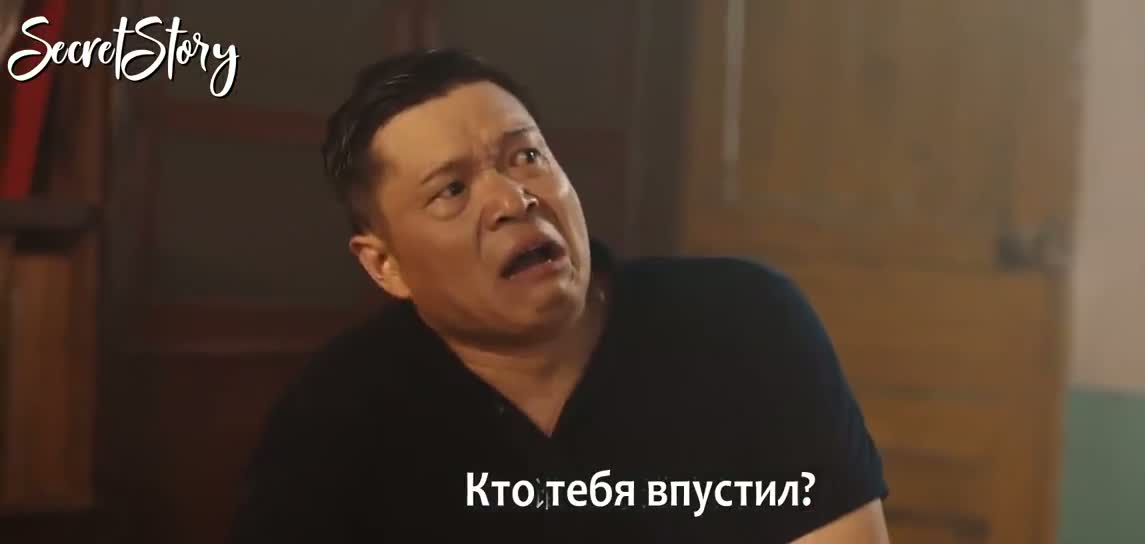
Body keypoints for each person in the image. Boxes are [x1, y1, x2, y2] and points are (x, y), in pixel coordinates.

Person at [229, 48, 891, 544]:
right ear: (385, 266)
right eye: (452, 190)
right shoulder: (334, 415)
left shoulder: (746, 321)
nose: (513, 199)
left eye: (526, 157)